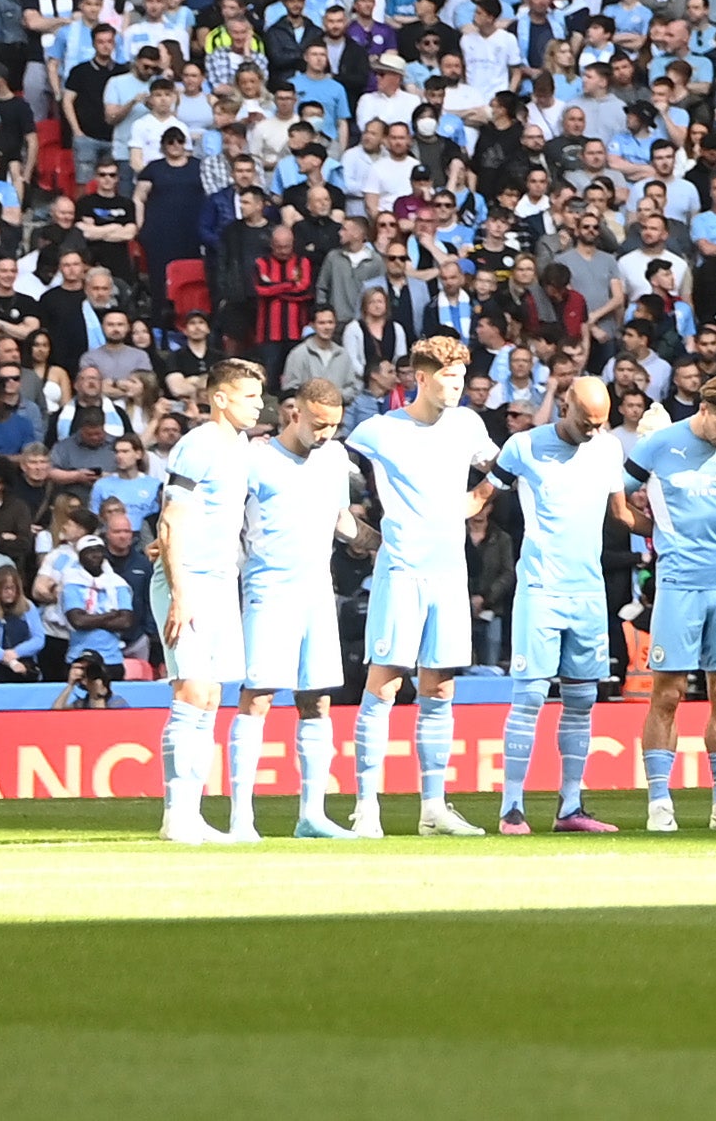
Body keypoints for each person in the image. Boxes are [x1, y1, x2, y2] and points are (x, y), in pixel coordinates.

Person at [340, 331, 497, 838]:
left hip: (450, 571)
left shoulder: (469, 423)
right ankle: (366, 805)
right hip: (402, 570)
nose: (457, 389)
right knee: (384, 685)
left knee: (441, 687)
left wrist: (476, 500)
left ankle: (434, 806)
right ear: (423, 379)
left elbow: (499, 467)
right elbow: (332, 466)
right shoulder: (379, 430)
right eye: (449, 379)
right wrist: (358, 529)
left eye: (461, 379)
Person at [623, 371, 716, 832]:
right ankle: (659, 804)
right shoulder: (657, 444)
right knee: (667, 694)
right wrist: (659, 535)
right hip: (679, 585)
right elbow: (618, 498)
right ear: (704, 409)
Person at [491, 374, 633, 837]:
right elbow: (481, 497)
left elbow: (622, 513)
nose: (593, 431)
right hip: (541, 589)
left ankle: (570, 806)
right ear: (565, 405)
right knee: (530, 695)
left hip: (589, 593)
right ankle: (512, 808)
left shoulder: (609, 448)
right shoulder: (523, 447)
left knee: (582, 699)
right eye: (587, 421)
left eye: (601, 423)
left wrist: (669, 531)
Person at [232, 377, 361, 842]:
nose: (326, 434)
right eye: (320, 425)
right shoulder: (256, 460)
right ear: (295, 415)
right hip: (269, 589)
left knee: (317, 699)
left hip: (317, 590)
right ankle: (241, 818)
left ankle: (312, 814)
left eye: (334, 426)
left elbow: (341, 520)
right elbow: (227, 518)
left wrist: (377, 544)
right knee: (260, 695)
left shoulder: (335, 458)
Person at [153, 361, 273, 843]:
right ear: (220, 399)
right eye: (249, 397)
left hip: (223, 581)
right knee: (191, 693)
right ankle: (175, 815)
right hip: (190, 584)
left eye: (260, 397)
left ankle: (191, 813)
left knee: (212, 698)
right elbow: (171, 517)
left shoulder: (241, 448)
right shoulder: (198, 444)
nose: (258, 405)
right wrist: (180, 592)